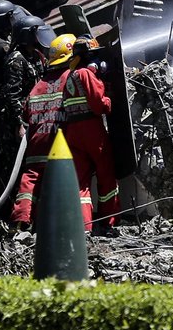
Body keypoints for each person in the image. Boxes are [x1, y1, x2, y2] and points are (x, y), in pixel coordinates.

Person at [0, 14, 54, 215]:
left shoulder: (36, 57)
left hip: (30, 117)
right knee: (9, 162)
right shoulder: (16, 61)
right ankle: (2, 209)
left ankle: (23, 209)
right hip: (9, 119)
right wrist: (19, 123)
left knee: (28, 163)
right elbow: (12, 95)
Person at [61, 34, 120, 232]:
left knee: (81, 181)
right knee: (105, 173)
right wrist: (110, 100)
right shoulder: (86, 74)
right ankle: (109, 220)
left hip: (73, 132)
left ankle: (84, 227)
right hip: (91, 130)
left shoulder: (70, 75)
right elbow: (97, 103)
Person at [10, 33, 69, 228]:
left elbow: (26, 113)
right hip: (59, 145)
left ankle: (21, 222)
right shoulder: (71, 78)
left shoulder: (37, 86)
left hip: (36, 144)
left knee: (29, 183)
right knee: (63, 183)